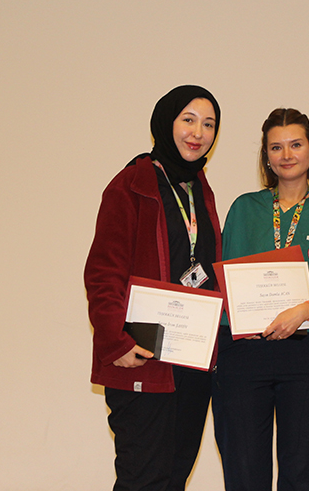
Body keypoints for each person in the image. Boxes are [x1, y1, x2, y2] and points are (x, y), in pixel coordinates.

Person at [83, 85, 222, 491]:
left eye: (209, 124)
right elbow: (102, 272)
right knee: (142, 480)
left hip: (191, 364)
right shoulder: (132, 183)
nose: (198, 133)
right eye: (188, 120)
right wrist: (116, 342)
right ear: (165, 122)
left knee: (173, 479)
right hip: (142, 358)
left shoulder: (199, 188)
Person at [212, 108, 309, 491]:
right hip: (244, 350)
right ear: (266, 156)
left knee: (302, 472)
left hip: (308, 352)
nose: (287, 154)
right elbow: (224, 281)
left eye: (296, 145)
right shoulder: (244, 208)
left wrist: (303, 311)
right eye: (276, 147)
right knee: (244, 472)